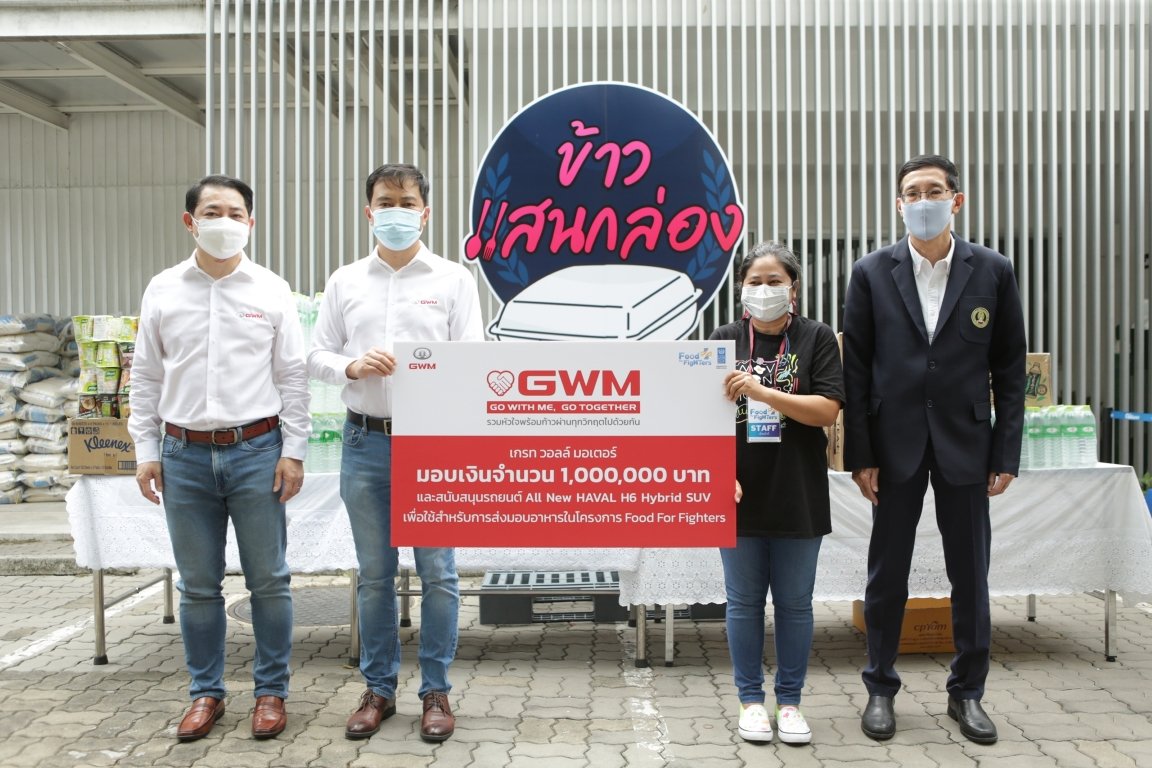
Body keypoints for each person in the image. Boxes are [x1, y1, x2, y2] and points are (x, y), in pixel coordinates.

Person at [842, 154, 1026, 745]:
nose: (923, 202)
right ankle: (880, 688)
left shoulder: (993, 270)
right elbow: (855, 370)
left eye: (934, 191)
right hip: (893, 443)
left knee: (970, 574)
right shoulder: (871, 271)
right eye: (912, 193)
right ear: (899, 205)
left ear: (956, 200)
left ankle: (967, 692)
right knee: (887, 572)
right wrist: (860, 454)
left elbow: (1010, 369)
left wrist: (1005, 453)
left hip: (966, 442)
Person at [128, 174, 310, 742]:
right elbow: (146, 376)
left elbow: (293, 376)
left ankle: (271, 692)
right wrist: (145, 450)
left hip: (257, 451)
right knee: (198, 584)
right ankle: (205, 692)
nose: (224, 222)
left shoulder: (271, 289)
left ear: (250, 223)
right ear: (191, 222)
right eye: (212, 212)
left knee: (269, 580)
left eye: (235, 213)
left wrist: (295, 451)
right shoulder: (163, 289)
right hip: (182, 454)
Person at [308, 163, 483, 743]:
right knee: (375, 576)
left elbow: (473, 359)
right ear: (369, 211)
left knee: (439, 574)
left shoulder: (454, 279)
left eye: (407, 202)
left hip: (431, 442)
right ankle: (378, 688)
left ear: (425, 213)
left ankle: (436, 691)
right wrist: (351, 365)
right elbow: (316, 355)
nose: (397, 212)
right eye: (386, 202)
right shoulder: (345, 281)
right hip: (365, 441)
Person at [709, 241, 844, 745]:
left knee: (794, 604)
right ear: (741, 289)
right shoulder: (724, 339)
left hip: (797, 489)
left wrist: (763, 392)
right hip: (738, 492)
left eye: (774, 282)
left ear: (794, 288)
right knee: (743, 603)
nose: (764, 291)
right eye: (755, 282)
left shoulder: (817, 337)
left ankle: (789, 703)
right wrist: (718, 471)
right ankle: (750, 701)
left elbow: (827, 409)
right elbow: (702, 416)